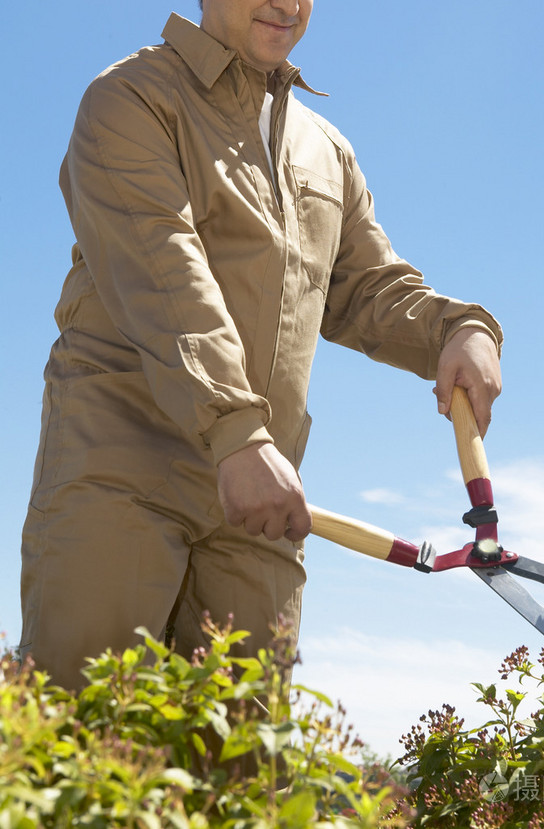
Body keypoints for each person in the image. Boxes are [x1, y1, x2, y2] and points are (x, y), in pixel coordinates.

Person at [20, 0, 503, 693]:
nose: (287, 5)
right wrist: (237, 433)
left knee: (246, 748)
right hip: (122, 470)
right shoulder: (130, 98)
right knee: (86, 721)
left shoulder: (326, 149)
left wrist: (458, 328)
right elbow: (164, 275)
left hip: (263, 503)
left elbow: (365, 287)